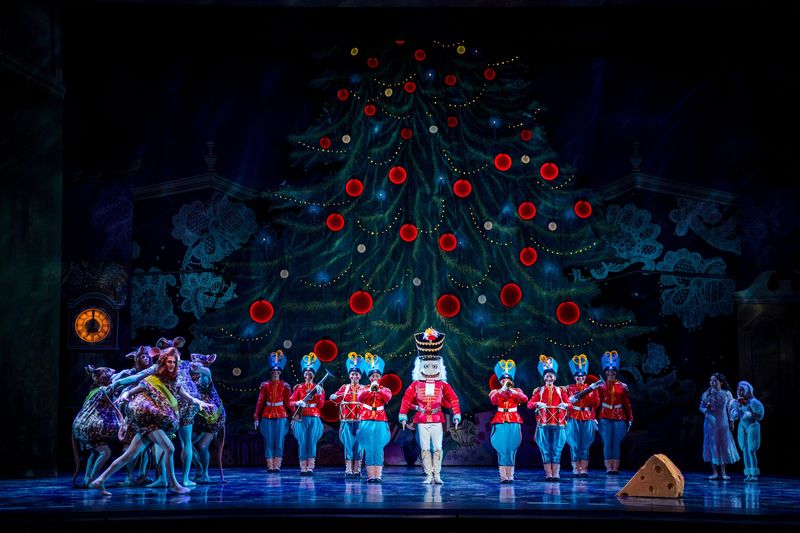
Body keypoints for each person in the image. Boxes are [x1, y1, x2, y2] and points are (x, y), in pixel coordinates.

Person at [89, 348, 212, 496]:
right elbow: (137, 388)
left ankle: (100, 480)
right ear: (163, 362)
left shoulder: (173, 381)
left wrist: (200, 403)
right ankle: (174, 484)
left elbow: (187, 397)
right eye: (169, 362)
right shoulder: (153, 378)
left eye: (174, 362)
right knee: (170, 448)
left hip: (156, 423)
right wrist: (126, 393)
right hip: (150, 422)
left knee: (129, 455)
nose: (172, 364)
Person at [399, 327, 461, 484]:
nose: (430, 369)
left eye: (434, 366)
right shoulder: (415, 385)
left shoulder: (443, 385)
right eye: (426, 366)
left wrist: (456, 414)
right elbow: (406, 400)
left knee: (438, 447)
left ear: (439, 367)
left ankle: (437, 474)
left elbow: (453, 399)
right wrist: (403, 416)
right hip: (422, 419)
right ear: (420, 367)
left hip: (436, 418)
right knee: (425, 448)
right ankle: (428, 474)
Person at [71, 365, 124, 488]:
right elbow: (120, 383)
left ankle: (86, 480)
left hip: (80, 427)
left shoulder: (93, 391)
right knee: (105, 452)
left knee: (94, 453)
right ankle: (94, 480)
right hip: (90, 427)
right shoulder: (103, 390)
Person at [527, 355, 570, 481]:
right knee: (545, 450)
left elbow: (570, 404)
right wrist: (537, 404)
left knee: (557, 449)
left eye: (551, 376)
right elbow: (529, 405)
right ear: (544, 378)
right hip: (543, 424)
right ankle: (548, 474)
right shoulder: (539, 391)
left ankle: (556, 474)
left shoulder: (561, 391)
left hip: (558, 424)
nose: (549, 378)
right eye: (547, 376)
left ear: (555, 378)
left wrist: (565, 404)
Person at [488, 359, 528, 484]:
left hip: (514, 419)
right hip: (500, 419)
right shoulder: (495, 392)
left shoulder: (517, 391)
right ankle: (503, 475)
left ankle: (511, 475)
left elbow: (525, 399)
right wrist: (502, 390)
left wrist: (512, 391)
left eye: (508, 380)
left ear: (512, 380)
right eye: (503, 380)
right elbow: (493, 401)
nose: (506, 382)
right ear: (500, 381)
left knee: (512, 447)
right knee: (502, 447)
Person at [189, 352, 226, 483]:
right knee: (187, 444)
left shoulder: (205, 376)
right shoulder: (190, 380)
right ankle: (199, 467)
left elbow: (204, 370)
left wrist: (194, 366)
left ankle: (205, 474)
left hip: (213, 417)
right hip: (199, 418)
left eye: (199, 361)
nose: (195, 363)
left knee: (203, 445)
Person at [356, 353, 393, 483]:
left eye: (377, 376)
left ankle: (378, 475)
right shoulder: (364, 388)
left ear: (380, 377)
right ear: (369, 377)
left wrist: (378, 390)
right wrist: (370, 390)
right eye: (373, 376)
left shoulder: (385, 389)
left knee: (378, 448)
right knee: (368, 447)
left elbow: (388, 397)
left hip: (380, 421)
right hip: (366, 420)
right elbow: (360, 397)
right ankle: (371, 475)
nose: (375, 378)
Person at [595, 350, 633, 474]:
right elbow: (597, 402)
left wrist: (630, 418)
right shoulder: (601, 386)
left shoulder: (622, 386)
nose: (610, 374)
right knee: (606, 442)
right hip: (604, 416)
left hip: (619, 416)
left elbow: (627, 403)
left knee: (616, 443)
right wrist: (593, 417)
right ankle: (608, 467)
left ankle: (615, 467)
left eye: (613, 372)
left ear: (615, 373)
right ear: (605, 373)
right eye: (608, 372)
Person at [254, 350, 292, 473]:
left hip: (281, 415)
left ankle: (277, 465)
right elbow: (260, 401)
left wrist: (296, 414)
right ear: (271, 373)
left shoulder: (285, 386)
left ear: (280, 373)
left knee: (280, 440)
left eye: (277, 372)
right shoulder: (265, 385)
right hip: (267, 415)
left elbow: (289, 402)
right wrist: (256, 416)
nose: (275, 374)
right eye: (273, 372)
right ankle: (270, 465)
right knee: (268, 440)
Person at [330, 352, 367, 478]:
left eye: (356, 374)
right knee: (348, 445)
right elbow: (336, 398)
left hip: (360, 421)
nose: (354, 376)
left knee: (359, 445)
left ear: (360, 376)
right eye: (352, 374)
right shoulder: (344, 387)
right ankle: (348, 469)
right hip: (347, 421)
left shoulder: (364, 388)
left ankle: (357, 470)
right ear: (349, 375)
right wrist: (333, 397)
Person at [289, 352, 326, 476]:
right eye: (306, 373)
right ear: (304, 375)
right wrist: (298, 402)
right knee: (302, 442)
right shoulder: (299, 388)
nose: (308, 376)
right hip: (301, 417)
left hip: (314, 417)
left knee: (312, 442)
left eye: (310, 374)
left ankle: (310, 466)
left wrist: (320, 394)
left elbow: (320, 405)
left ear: (313, 375)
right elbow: (290, 402)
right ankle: (302, 466)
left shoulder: (318, 387)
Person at [699, 372, 739, 480]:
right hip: (710, 421)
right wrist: (706, 409)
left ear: (720, 382)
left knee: (723, 445)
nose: (712, 383)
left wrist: (732, 421)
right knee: (713, 445)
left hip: (723, 422)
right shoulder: (707, 394)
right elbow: (701, 407)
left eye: (715, 381)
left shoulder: (726, 394)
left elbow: (731, 408)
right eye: (711, 380)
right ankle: (715, 472)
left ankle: (724, 472)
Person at [565, 354, 600, 477]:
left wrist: (595, 390)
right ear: (575, 377)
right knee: (575, 444)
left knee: (585, 444)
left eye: (583, 376)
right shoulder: (569, 388)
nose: (580, 378)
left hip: (587, 417)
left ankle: (584, 469)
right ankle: (576, 469)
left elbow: (596, 403)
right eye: (578, 377)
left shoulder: (592, 388)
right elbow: (568, 402)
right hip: (574, 416)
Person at [730, 380, 764, 482]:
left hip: (752, 426)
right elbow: (735, 414)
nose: (740, 392)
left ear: (747, 391)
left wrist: (751, 414)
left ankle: (754, 474)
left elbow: (760, 415)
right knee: (744, 450)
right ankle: (748, 473)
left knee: (751, 450)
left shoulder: (753, 402)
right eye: (738, 390)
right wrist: (735, 414)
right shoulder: (737, 402)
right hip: (742, 426)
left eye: (742, 390)